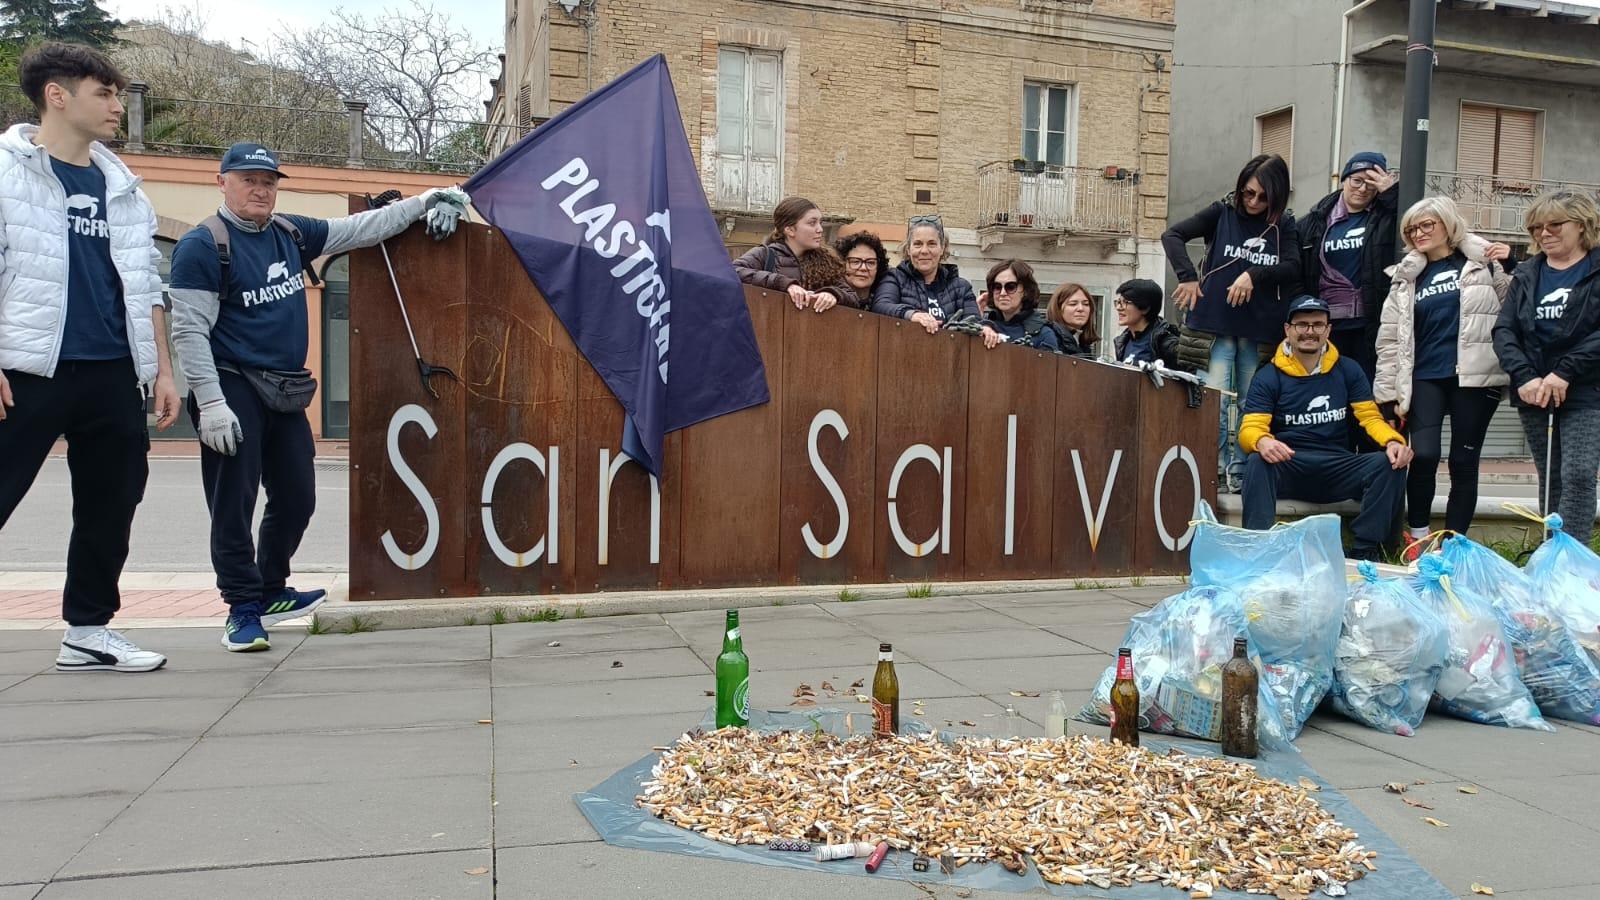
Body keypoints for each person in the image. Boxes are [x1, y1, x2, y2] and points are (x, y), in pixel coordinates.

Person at [168, 143, 470, 652]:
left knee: (297, 497)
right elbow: (189, 332)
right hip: (231, 383)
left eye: (269, 181)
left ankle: (271, 589)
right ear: (222, 183)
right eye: (248, 180)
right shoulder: (203, 245)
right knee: (233, 503)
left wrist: (432, 198)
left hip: (284, 386)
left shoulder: (290, 232)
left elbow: (362, 230)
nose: (261, 190)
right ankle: (243, 609)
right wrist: (212, 402)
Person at [0, 43, 180, 673]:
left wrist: (160, 366)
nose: (117, 106)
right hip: (25, 369)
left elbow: (145, 283)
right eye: (103, 93)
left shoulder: (122, 185)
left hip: (110, 371)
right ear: (57, 95)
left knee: (113, 500)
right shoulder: (6, 172)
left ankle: (87, 631)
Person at [1375, 197, 1513, 553]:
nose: (1418, 233)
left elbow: (1514, 303)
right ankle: (1419, 538)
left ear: (1447, 225)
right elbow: (1389, 338)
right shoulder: (1406, 276)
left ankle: (1454, 546)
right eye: (1412, 229)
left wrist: (1510, 265)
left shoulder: (1483, 262)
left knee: (1463, 461)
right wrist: (1387, 393)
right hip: (1425, 375)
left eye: (1426, 226)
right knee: (1423, 455)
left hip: (1476, 374)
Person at [1163, 154, 1302, 492]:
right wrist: (1187, 277)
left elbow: (1295, 266)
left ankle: (1241, 472)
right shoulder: (1221, 212)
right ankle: (1215, 470)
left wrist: (1254, 274)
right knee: (1215, 402)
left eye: (1263, 197)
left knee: (1252, 404)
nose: (1253, 202)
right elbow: (1173, 235)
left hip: (1259, 331)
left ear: (1277, 195)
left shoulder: (1284, 225)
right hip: (1213, 326)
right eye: (1247, 193)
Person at [1240, 296, 1412, 561]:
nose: (1310, 331)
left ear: (1328, 330)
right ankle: (1259, 549)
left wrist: (1392, 441)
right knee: (1256, 462)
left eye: (1318, 324)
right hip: (1291, 464)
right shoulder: (1269, 375)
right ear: (1288, 329)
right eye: (1302, 325)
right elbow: (1250, 428)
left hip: (1337, 466)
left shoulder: (1348, 369)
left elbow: (1370, 418)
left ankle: (1366, 550)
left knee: (1390, 463)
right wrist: (1262, 441)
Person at [1493, 190, 1600, 544]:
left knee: (1580, 474)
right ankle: (1550, 553)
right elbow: (1504, 330)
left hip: (1586, 387)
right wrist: (1523, 376)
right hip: (1534, 390)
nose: (1545, 233)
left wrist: (1566, 371)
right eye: (1537, 227)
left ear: (1583, 225)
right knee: (1551, 476)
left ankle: (1573, 561)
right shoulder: (1527, 273)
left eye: (1555, 224)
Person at [1299, 152, 1402, 381]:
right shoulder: (1316, 220)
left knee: (1366, 394)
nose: (1363, 189)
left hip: (1371, 325)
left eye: (1371, 184)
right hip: (1326, 326)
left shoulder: (1386, 217)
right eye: (1357, 181)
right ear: (1344, 179)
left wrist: (1392, 193)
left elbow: (1415, 221)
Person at [871, 214, 994, 346]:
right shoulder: (894, 277)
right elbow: (880, 306)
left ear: (942, 248)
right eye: (918, 244)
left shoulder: (961, 287)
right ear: (908, 249)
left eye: (932, 244)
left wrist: (984, 328)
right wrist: (911, 314)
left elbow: (974, 321)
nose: (924, 251)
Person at [733, 196, 854, 311]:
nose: (820, 229)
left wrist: (832, 294)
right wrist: (784, 284)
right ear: (790, 229)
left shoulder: (826, 262)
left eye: (820, 223)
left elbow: (852, 297)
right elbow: (733, 271)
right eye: (812, 223)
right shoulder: (765, 254)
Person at [981, 259, 1060, 352]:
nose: (1002, 293)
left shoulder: (1044, 334)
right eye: (997, 287)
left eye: (1010, 287)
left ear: (1025, 291)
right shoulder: (983, 326)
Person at [1112, 278, 1179, 368]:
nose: (1119, 308)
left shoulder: (1166, 342)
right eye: (1118, 302)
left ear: (1145, 308)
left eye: (1125, 302)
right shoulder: (1123, 341)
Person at [835, 231, 888, 308]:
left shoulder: (884, 304)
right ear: (841, 264)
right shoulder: (830, 298)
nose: (863, 268)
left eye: (870, 263)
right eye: (855, 261)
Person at [1046, 283, 1100, 358]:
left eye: (1086, 304)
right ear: (1058, 308)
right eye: (1073, 304)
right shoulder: (1049, 338)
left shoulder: (1083, 344)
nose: (1081, 309)